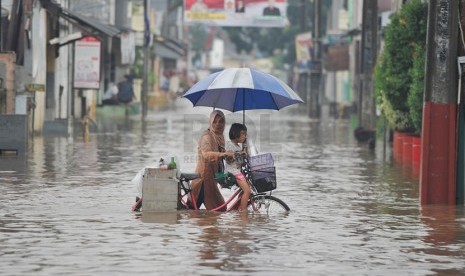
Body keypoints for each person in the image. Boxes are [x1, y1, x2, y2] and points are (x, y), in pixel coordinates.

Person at [191, 110, 235, 211]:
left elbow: (222, 155)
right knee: (218, 210)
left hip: (212, 179)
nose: (218, 124)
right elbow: (206, 154)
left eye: (221, 121)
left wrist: (232, 155)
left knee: (218, 210)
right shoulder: (207, 137)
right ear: (210, 122)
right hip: (203, 181)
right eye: (215, 122)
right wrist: (222, 154)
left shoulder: (220, 137)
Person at [225, 123, 251, 212]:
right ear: (236, 134)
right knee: (247, 191)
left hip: (237, 171)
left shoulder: (238, 146)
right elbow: (228, 159)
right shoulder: (229, 145)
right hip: (232, 171)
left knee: (247, 189)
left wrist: (245, 150)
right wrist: (239, 154)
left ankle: (239, 207)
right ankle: (242, 212)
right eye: (243, 133)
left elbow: (241, 159)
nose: (245, 136)